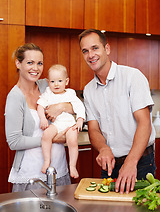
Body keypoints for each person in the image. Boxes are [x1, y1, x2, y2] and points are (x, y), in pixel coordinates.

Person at [79, 29, 156, 194]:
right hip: (110, 165)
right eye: (85, 51)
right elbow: (93, 129)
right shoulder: (88, 90)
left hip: (140, 162)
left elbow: (145, 123)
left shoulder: (132, 77)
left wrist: (131, 162)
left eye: (95, 48)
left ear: (107, 49)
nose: (90, 54)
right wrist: (103, 148)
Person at [5, 43, 74, 192]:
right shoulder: (15, 97)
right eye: (30, 62)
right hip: (32, 173)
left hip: (58, 169)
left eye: (39, 63)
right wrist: (51, 138)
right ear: (18, 63)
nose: (35, 68)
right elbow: (14, 142)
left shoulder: (47, 86)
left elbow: (76, 105)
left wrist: (61, 107)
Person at [37, 64, 85, 177]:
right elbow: (40, 106)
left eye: (60, 80)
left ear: (66, 81)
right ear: (48, 82)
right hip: (56, 124)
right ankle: (47, 161)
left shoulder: (70, 93)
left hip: (69, 124)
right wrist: (43, 118)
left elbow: (79, 106)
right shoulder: (48, 93)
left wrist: (80, 120)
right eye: (53, 81)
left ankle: (72, 166)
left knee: (72, 141)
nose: (56, 84)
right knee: (46, 136)